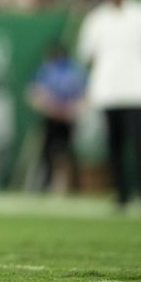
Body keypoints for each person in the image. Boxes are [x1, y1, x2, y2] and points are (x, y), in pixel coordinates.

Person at [77, 0, 141, 210]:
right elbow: (86, 52)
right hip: (108, 91)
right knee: (114, 146)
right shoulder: (97, 19)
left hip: (136, 90)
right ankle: (121, 194)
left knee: (138, 146)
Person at [27, 43, 87, 192]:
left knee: (68, 153)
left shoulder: (72, 71)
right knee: (47, 153)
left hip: (67, 118)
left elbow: (84, 95)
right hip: (52, 117)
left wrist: (69, 110)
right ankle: (45, 184)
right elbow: (35, 93)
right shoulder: (47, 70)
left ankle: (72, 186)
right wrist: (51, 108)